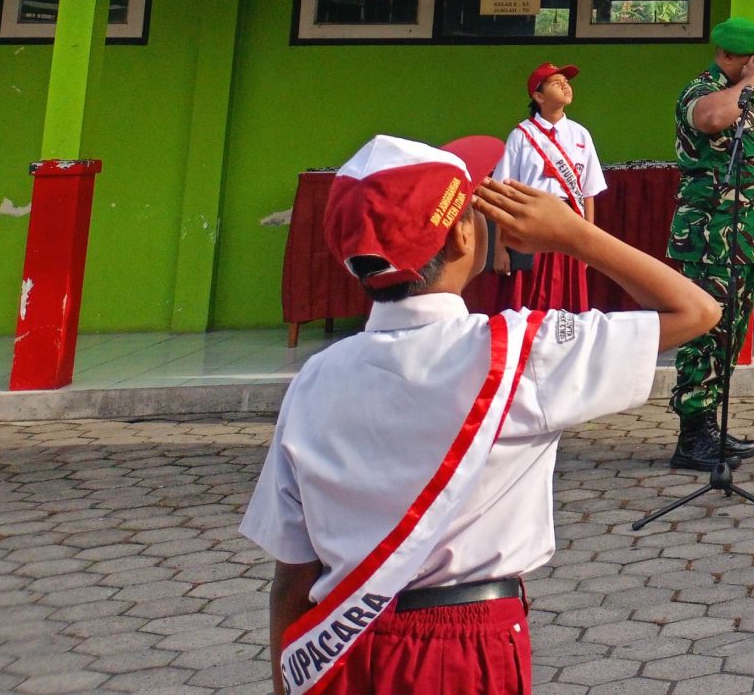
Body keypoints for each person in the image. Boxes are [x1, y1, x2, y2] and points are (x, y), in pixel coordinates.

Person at [242, 133, 719, 695]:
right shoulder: (523, 351)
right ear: (463, 231)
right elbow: (698, 310)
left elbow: (291, 578)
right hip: (464, 649)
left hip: (340, 648)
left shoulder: (315, 380)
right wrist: (573, 233)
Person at [668, 16, 754, 471]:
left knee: (728, 333)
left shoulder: (743, 98)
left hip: (742, 238)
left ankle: (709, 425)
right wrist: (749, 82)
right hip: (710, 237)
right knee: (706, 331)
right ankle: (692, 435)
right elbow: (712, 119)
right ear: (734, 56)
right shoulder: (702, 91)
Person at [493, 62, 607, 313]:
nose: (565, 86)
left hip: (569, 222)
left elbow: (588, 193)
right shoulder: (521, 135)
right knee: (529, 297)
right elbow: (503, 191)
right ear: (538, 96)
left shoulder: (580, 135)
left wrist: (590, 241)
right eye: (556, 83)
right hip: (530, 222)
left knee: (568, 297)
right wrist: (500, 247)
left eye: (567, 82)